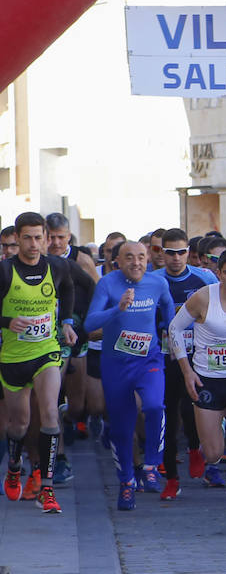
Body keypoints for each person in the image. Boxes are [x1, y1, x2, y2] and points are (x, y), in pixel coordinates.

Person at [169, 248, 226, 534]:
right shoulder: (203, 298)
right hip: (207, 380)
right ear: (219, 274)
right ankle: (219, 420)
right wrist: (187, 372)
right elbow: (174, 330)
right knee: (212, 454)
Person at [84, 240, 174, 510]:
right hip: (116, 365)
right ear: (117, 262)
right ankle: (126, 483)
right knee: (122, 430)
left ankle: (151, 465)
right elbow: (89, 324)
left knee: (155, 405)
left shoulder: (157, 283)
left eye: (141, 257)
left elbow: (168, 308)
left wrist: (172, 330)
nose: (136, 263)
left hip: (149, 360)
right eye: (130, 258)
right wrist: (117, 309)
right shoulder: (108, 284)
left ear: (148, 260)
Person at [1, 212, 76, 513]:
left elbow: (69, 287)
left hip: (47, 351)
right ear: (17, 239)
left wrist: (67, 322)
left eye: (39, 237)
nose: (34, 244)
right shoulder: (5, 271)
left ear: (46, 238)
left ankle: (47, 488)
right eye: (28, 238)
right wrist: (7, 321)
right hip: (13, 357)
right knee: (19, 423)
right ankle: (14, 465)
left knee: (49, 414)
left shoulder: (56, 265)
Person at [150, 228, 219, 499]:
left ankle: (194, 448)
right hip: (164, 356)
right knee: (167, 411)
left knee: (195, 409)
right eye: (170, 253)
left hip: (198, 355)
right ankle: (171, 478)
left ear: (189, 252)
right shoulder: (152, 280)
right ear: (161, 253)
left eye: (181, 252)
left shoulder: (205, 278)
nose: (176, 258)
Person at [45, 212, 98, 486]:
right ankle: (59, 455)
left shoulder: (81, 260)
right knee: (52, 400)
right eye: (50, 237)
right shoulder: (37, 261)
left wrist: (87, 325)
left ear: (69, 237)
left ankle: (71, 421)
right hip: (48, 340)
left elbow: (95, 289)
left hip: (78, 335)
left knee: (76, 405)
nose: (54, 243)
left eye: (60, 237)